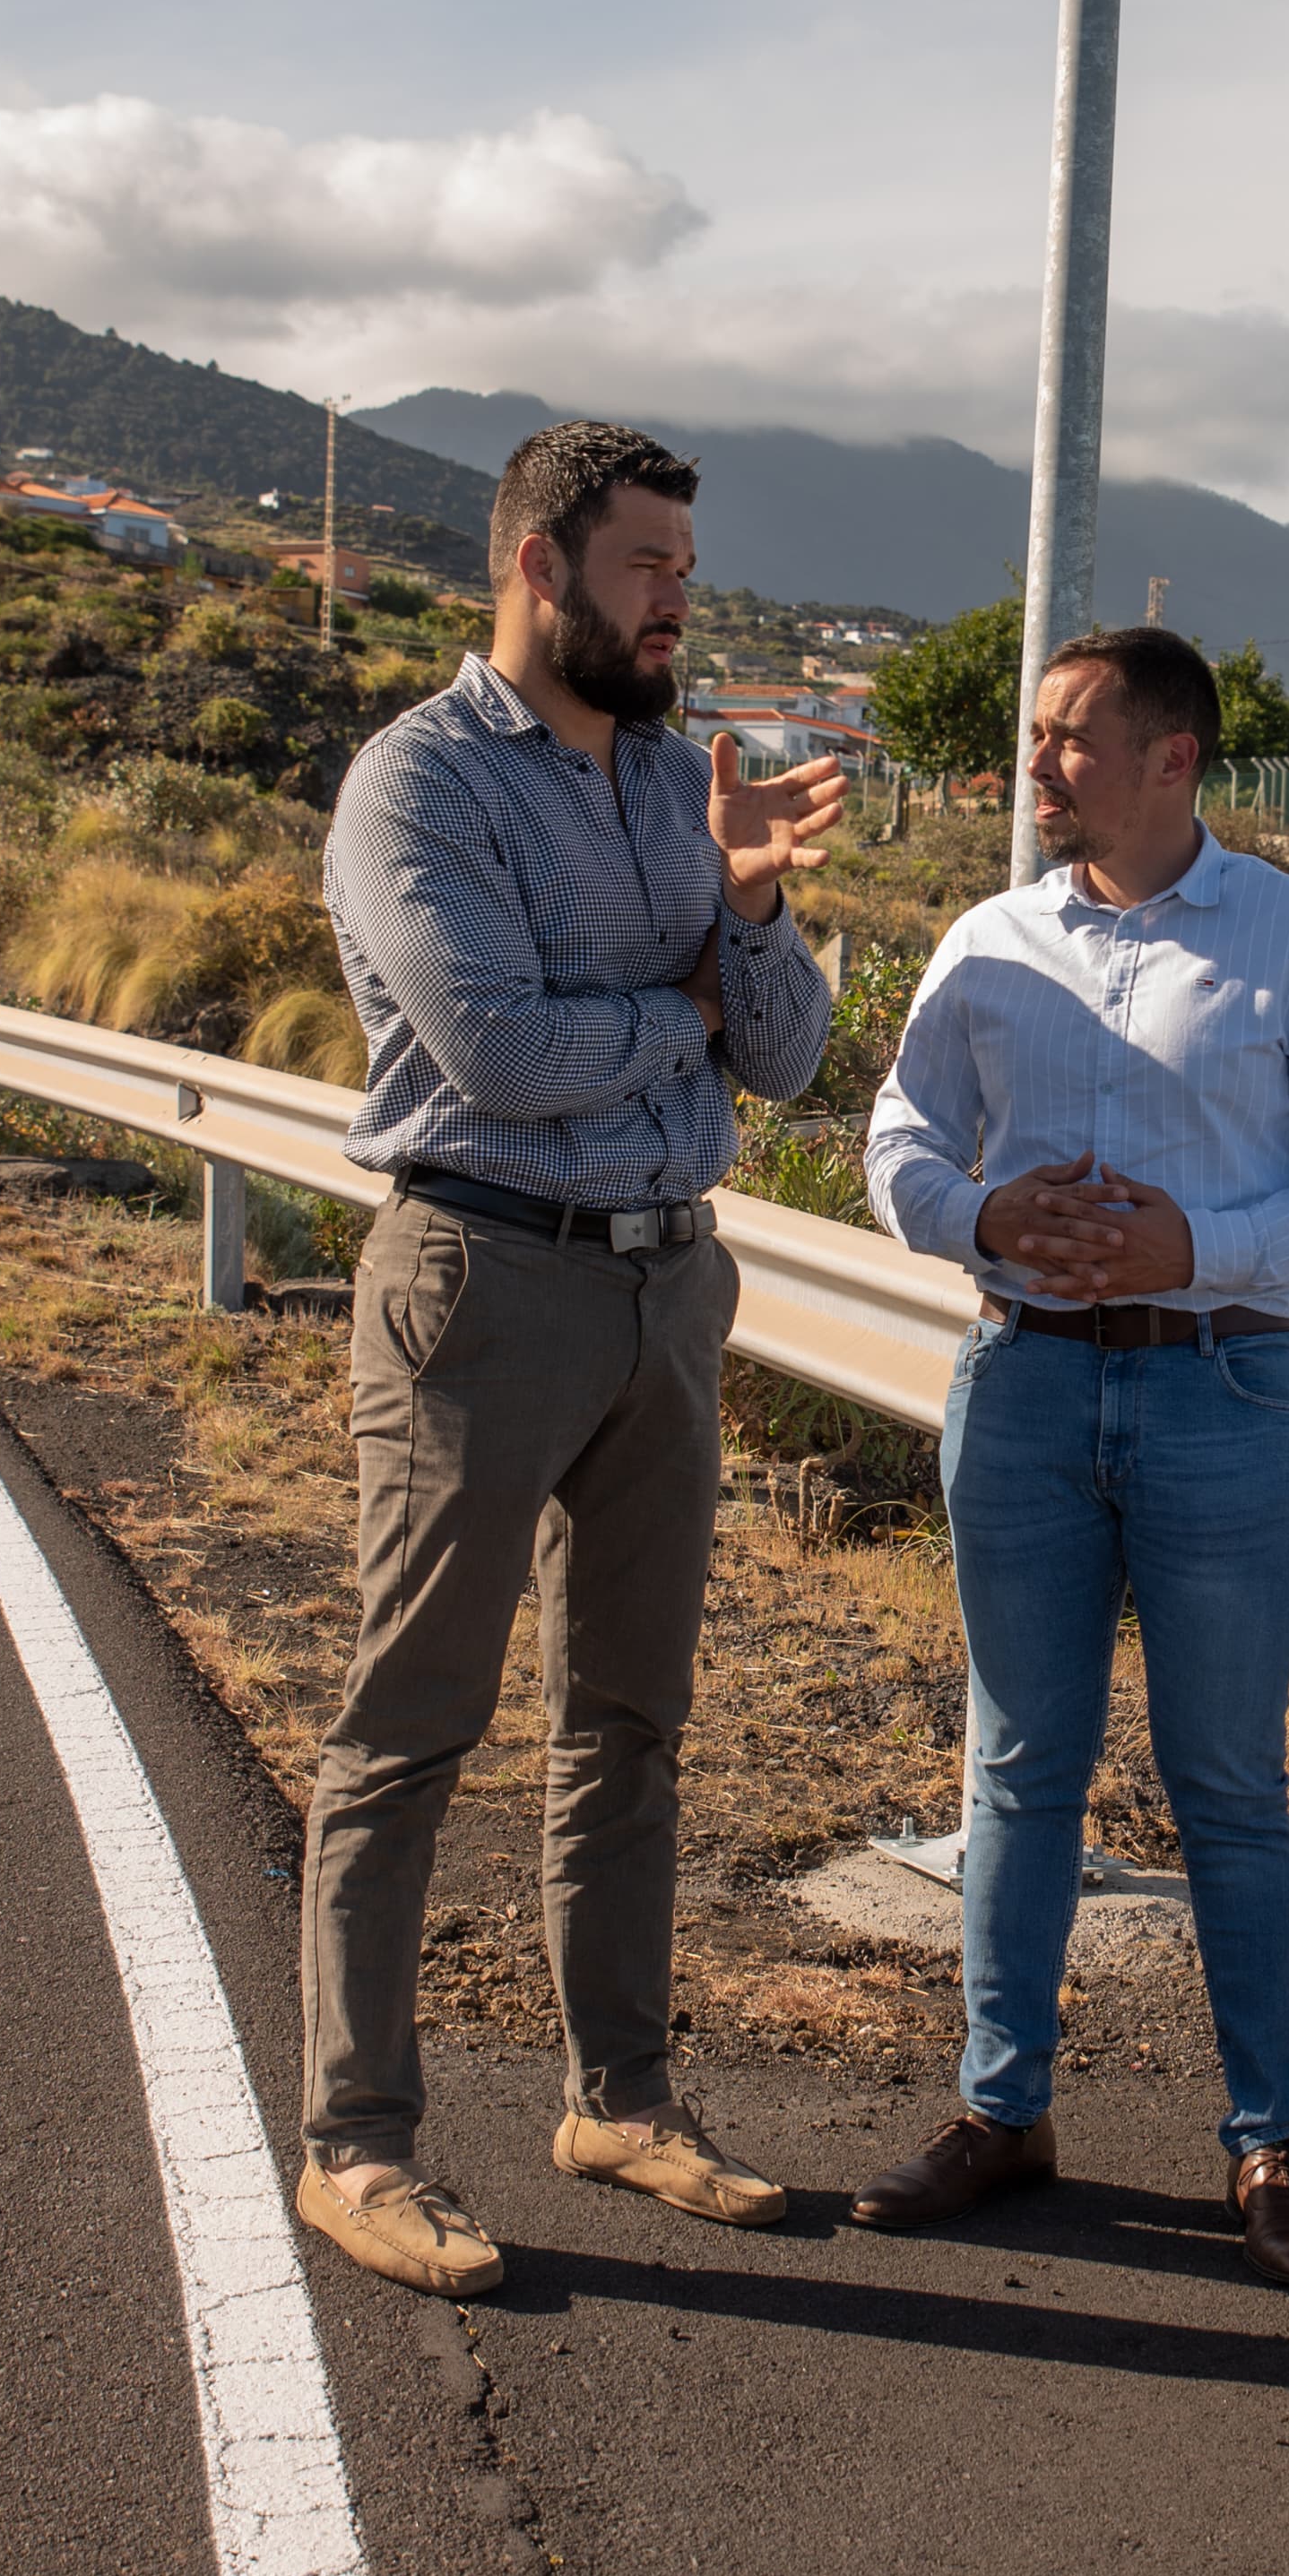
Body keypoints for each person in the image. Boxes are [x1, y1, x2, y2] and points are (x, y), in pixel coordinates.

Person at [298, 419, 844, 2299]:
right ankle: (357, 2143)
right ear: (542, 564)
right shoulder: (418, 785)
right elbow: (500, 1057)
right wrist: (676, 1000)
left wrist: (751, 912)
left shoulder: (688, 783)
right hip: (484, 1277)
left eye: (687, 567)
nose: (680, 599)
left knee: (629, 1718)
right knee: (412, 1720)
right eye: (649, 567)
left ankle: (621, 2094)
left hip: (667, 1287)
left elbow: (780, 1061)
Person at [851, 625, 1289, 2287]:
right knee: (1019, 1767)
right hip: (1023, 1385)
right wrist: (976, 1210)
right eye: (1036, 739)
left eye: (1069, 738)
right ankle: (1000, 2112)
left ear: (1175, 755)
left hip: (1230, 1394)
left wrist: (1198, 1243)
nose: (1035, 766)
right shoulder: (989, 935)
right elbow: (899, 1132)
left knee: (1229, 1784)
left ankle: (1267, 2145)